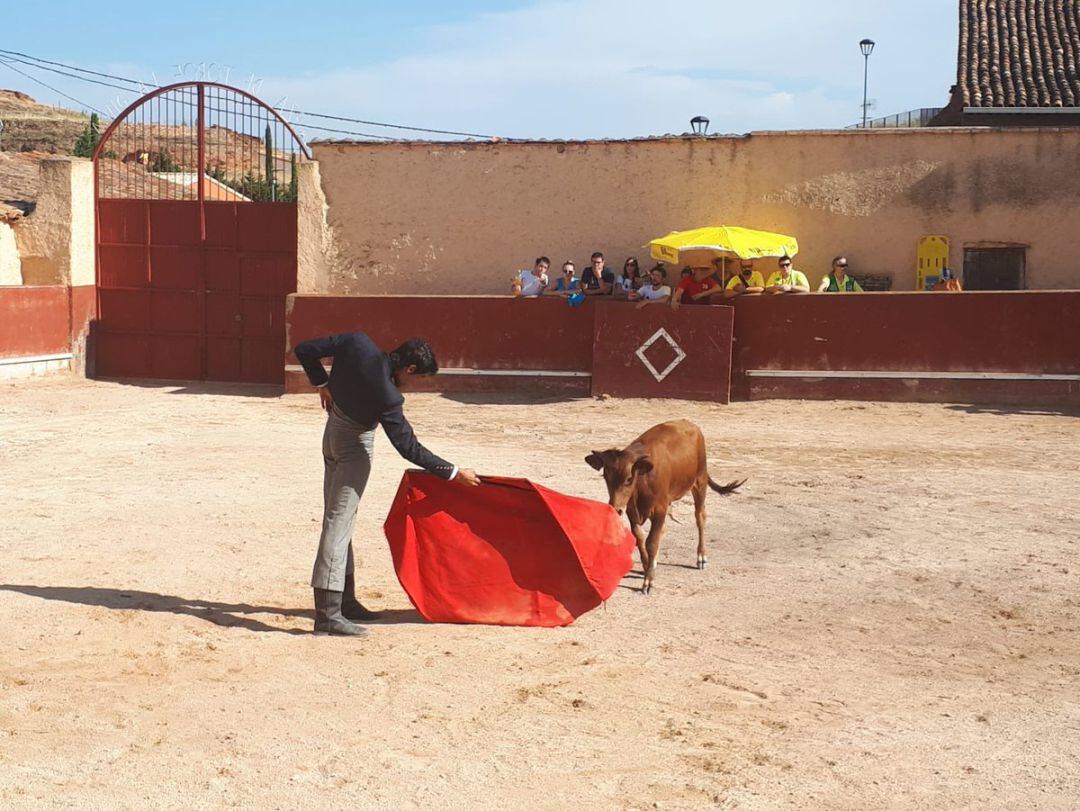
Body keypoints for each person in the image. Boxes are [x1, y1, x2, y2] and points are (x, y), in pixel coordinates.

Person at [294, 334, 481, 637]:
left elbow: (304, 349)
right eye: (416, 377)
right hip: (354, 447)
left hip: (331, 435)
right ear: (408, 368)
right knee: (338, 522)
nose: (413, 383)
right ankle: (327, 614)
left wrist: (322, 384)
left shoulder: (356, 343)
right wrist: (453, 472)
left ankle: (345, 601)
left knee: (341, 519)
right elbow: (408, 447)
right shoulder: (387, 395)